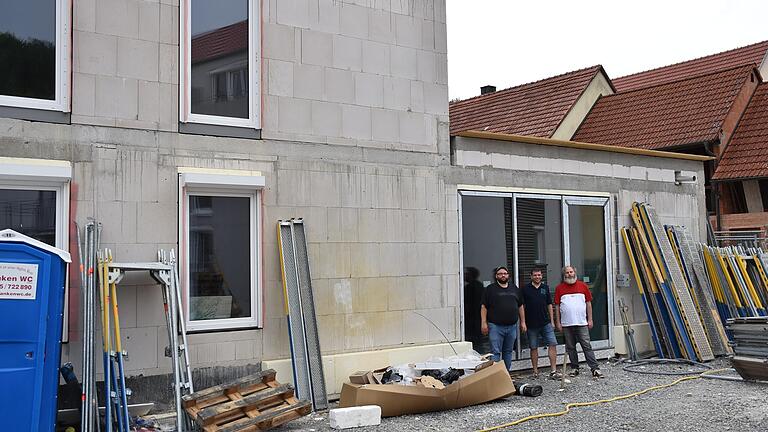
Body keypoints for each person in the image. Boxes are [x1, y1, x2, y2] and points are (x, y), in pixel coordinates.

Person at [554, 265, 603, 378]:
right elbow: (556, 306)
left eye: (571, 272)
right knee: (570, 347)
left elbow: (588, 304)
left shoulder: (583, 286)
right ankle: (575, 368)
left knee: (586, 345)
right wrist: (558, 322)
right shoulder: (559, 288)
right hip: (566, 324)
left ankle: (595, 368)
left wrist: (590, 319)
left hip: (581, 323)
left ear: (574, 272)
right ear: (564, 275)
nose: (569, 274)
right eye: (567, 272)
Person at [481, 266, 526, 372]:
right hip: (495, 326)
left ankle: (506, 374)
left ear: (508, 275)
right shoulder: (490, 289)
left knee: (508, 351)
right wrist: (483, 323)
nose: (503, 275)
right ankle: (495, 375)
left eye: (505, 273)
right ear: (496, 276)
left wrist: (523, 322)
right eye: (500, 274)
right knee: (495, 352)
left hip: (512, 326)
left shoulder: (514, 288)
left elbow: (520, 306)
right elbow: (484, 306)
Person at [521, 268, 561, 379]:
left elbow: (549, 304)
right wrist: (523, 322)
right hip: (531, 324)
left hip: (545, 323)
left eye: (539, 275)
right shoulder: (525, 289)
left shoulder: (545, 288)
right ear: (531, 276)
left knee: (552, 344)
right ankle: (535, 372)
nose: (537, 277)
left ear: (541, 276)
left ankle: (553, 371)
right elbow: (522, 307)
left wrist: (552, 321)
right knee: (533, 347)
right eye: (535, 275)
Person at [463, 267, 486, 352]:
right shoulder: (479, 286)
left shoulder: (470, 287)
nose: (465, 276)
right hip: (476, 318)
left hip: (473, 318)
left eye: (466, 274)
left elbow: (469, 303)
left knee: (475, 341)